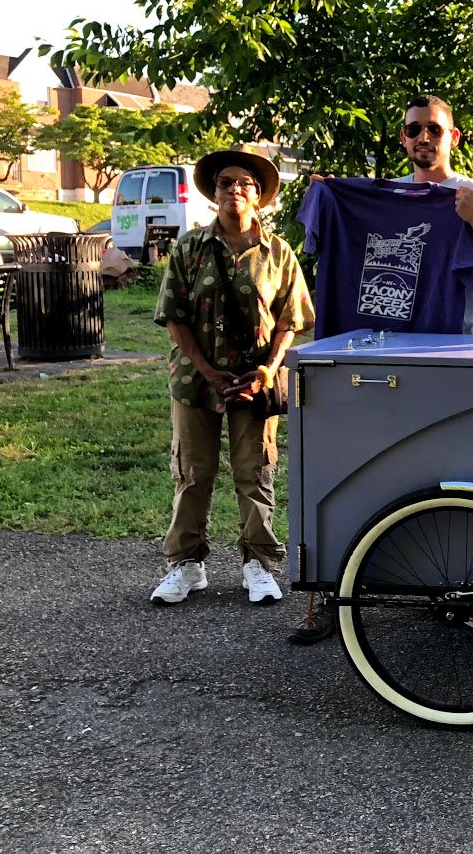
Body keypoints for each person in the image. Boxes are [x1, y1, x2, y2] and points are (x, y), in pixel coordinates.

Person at [150, 149, 314, 607]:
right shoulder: (189, 247)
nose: (235, 190)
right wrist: (206, 370)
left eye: (245, 184)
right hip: (195, 380)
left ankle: (258, 564)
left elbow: (291, 320)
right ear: (214, 193)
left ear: (258, 195)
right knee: (192, 472)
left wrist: (269, 369)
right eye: (226, 183)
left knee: (255, 471)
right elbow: (174, 316)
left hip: (255, 383)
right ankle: (187, 565)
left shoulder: (278, 253)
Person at [392, 94, 473, 332]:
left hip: (456, 347)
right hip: (391, 345)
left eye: (435, 129)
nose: (424, 137)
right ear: (403, 137)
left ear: (454, 137)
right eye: (414, 129)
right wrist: (328, 195)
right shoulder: (388, 196)